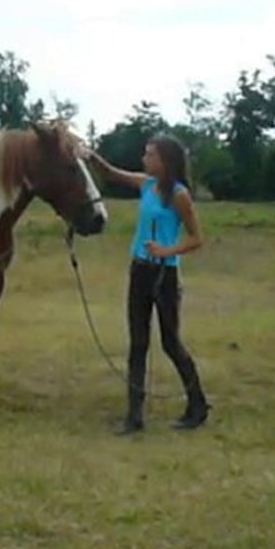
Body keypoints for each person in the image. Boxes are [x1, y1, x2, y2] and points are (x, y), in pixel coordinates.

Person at [81, 134, 211, 434]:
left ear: (165, 161)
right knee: (137, 343)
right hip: (139, 271)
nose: (144, 159)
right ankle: (134, 416)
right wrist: (90, 156)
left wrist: (167, 251)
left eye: (150, 155)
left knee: (170, 343)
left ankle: (198, 404)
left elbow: (196, 238)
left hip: (164, 275)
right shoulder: (146, 184)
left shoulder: (179, 195)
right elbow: (112, 174)